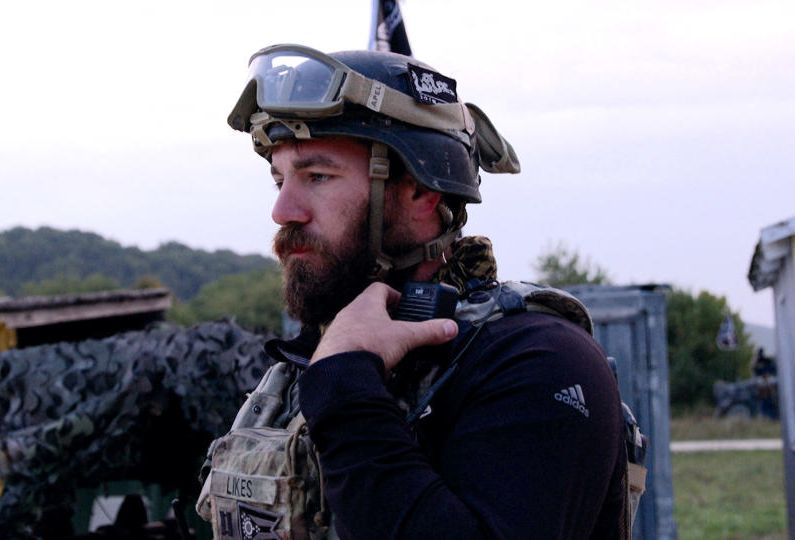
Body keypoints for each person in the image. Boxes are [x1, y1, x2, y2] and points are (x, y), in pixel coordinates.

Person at [200, 44, 627, 539]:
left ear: (422, 191)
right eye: (280, 180)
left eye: (318, 176)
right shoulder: (311, 365)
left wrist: (344, 389)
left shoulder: (536, 362)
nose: (283, 210)